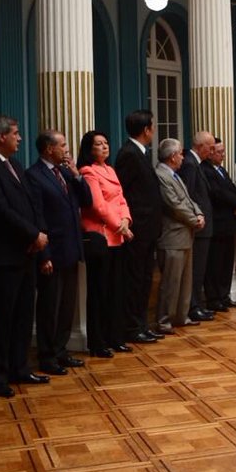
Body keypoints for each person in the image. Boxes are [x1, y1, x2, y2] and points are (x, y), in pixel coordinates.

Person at [0, 115, 48, 398]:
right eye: (15, 133)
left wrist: (38, 233)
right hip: (3, 254)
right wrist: (32, 234)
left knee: (23, 315)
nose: (20, 138)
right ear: (1, 136)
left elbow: (31, 202)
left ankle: (20, 367)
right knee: (2, 318)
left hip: (26, 251)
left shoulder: (14, 164)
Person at [25, 130, 92, 376]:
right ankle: (47, 355)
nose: (67, 149)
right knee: (49, 307)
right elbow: (37, 216)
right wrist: (44, 255)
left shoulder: (64, 172)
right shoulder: (34, 175)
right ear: (48, 149)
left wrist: (77, 175)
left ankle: (61, 350)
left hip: (72, 249)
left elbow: (86, 201)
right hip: (52, 251)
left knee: (66, 306)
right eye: (62, 145)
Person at [78, 130, 134, 358]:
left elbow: (121, 199)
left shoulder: (110, 169)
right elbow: (97, 206)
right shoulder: (88, 171)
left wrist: (126, 220)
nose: (104, 146)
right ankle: (98, 342)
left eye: (106, 142)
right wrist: (120, 225)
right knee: (99, 292)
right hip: (101, 237)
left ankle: (115, 337)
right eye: (99, 144)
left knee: (115, 290)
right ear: (89, 149)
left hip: (118, 234)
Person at [114, 110, 163, 344]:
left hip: (148, 229)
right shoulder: (129, 154)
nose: (154, 129)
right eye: (153, 126)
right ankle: (132, 327)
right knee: (135, 280)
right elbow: (122, 192)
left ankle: (142, 324)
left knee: (144, 279)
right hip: (138, 229)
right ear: (146, 130)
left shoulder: (140, 152)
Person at [153, 138, 204, 332]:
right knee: (171, 282)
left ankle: (181, 316)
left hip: (185, 234)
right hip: (172, 236)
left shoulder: (174, 174)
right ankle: (164, 320)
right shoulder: (161, 175)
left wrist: (199, 213)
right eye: (181, 154)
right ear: (173, 156)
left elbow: (188, 199)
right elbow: (174, 204)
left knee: (185, 281)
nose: (183, 157)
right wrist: (194, 219)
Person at [202, 138, 236, 311]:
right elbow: (218, 193)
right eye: (219, 152)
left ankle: (224, 295)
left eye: (223, 151)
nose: (223, 155)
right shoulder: (206, 170)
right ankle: (214, 298)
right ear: (210, 153)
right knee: (215, 262)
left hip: (229, 222)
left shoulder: (221, 170)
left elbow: (232, 189)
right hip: (217, 223)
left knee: (227, 262)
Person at [178, 131, 216, 322]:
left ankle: (197, 304)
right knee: (195, 270)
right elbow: (189, 195)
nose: (212, 151)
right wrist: (196, 218)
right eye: (210, 147)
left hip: (203, 226)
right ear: (201, 146)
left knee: (200, 269)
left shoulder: (196, 163)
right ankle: (193, 306)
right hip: (198, 227)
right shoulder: (190, 164)